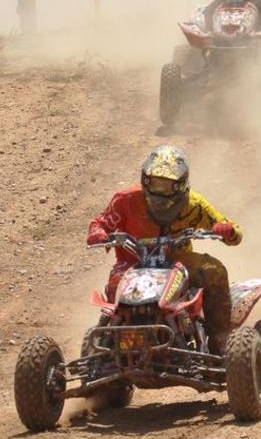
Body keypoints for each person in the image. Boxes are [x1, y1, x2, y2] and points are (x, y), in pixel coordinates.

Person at [85, 145, 242, 354]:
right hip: (132, 262)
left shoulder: (194, 204)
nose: (159, 190)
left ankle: (220, 339)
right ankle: (106, 344)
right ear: (145, 179)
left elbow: (233, 232)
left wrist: (227, 231)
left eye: (166, 185)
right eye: (155, 182)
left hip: (178, 260)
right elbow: (101, 223)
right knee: (114, 287)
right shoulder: (125, 200)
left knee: (214, 271)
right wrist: (97, 232)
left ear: (181, 185)